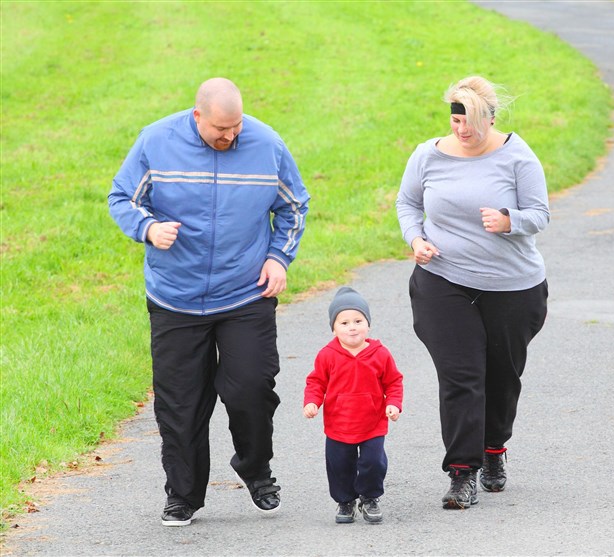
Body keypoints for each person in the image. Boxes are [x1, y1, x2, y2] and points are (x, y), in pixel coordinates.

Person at [108, 77, 310, 526]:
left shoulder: (267, 144)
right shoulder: (156, 141)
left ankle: (255, 469)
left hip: (244, 293)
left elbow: (294, 206)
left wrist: (278, 258)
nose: (231, 136)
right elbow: (121, 198)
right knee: (180, 404)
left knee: (252, 389)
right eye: (221, 128)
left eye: (236, 126)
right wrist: (147, 228)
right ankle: (184, 494)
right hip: (175, 298)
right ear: (197, 116)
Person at [395, 76, 549, 510]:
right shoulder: (428, 154)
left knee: (501, 378)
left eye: (472, 121)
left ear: (492, 118)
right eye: (456, 119)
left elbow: (540, 213)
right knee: (462, 377)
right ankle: (462, 473)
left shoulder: (517, 157)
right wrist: (415, 239)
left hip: (512, 288)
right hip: (443, 280)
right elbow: (408, 203)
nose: (462, 130)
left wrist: (509, 220)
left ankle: (494, 449)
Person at [303, 287, 404, 524]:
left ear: (368, 324)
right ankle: (345, 501)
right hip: (339, 423)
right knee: (339, 465)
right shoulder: (327, 355)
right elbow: (316, 381)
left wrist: (394, 404)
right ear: (334, 327)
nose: (352, 327)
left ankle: (370, 498)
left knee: (373, 463)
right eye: (344, 322)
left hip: (373, 422)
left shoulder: (380, 354)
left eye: (358, 320)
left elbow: (394, 382)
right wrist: (312, 402)